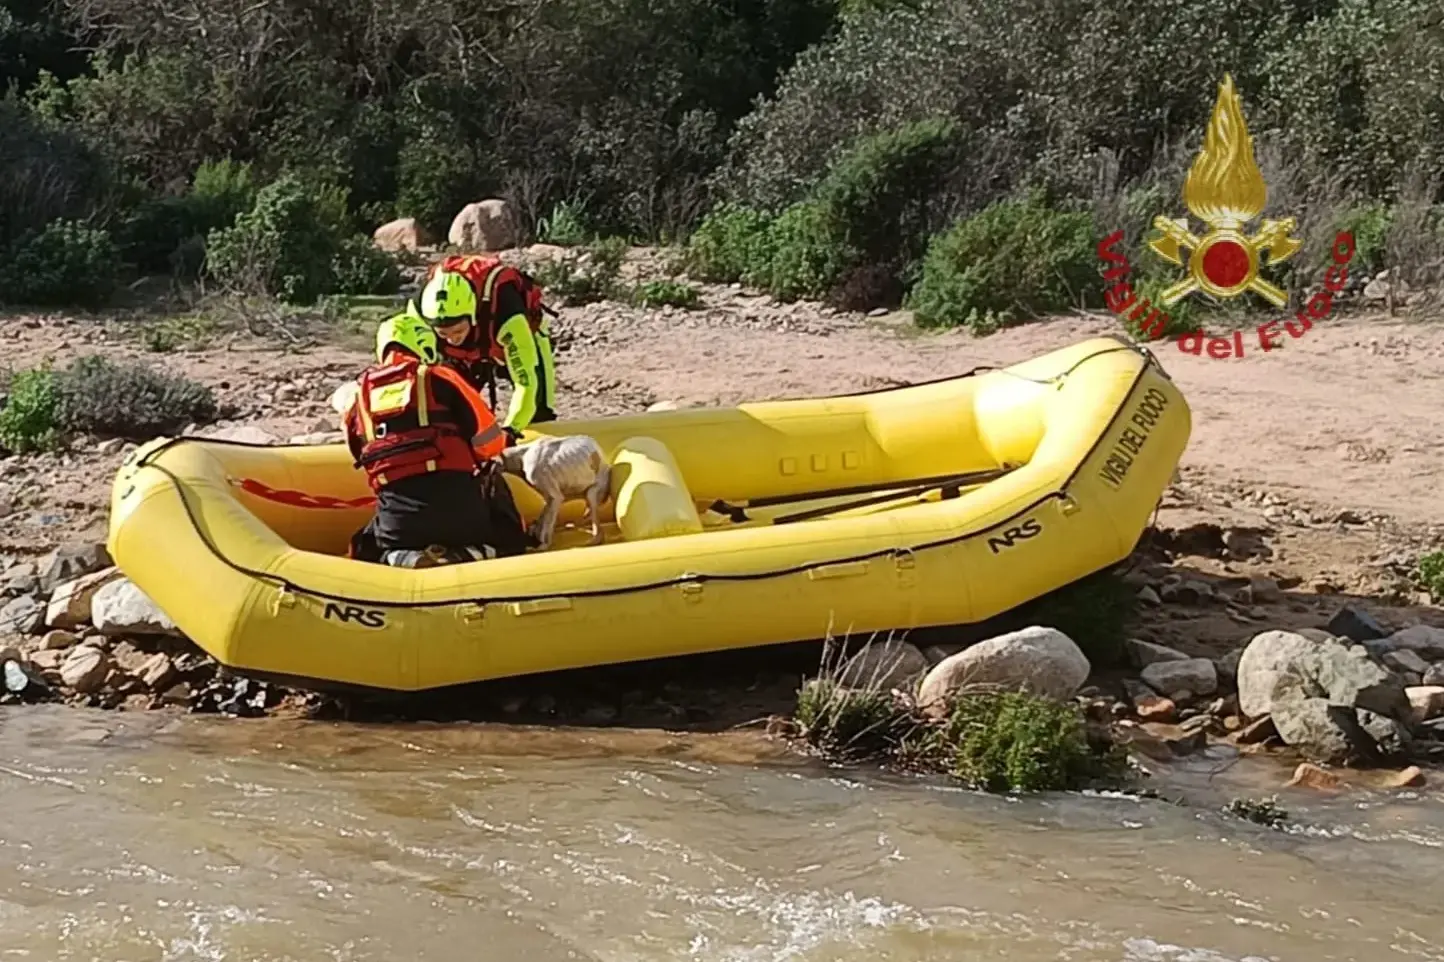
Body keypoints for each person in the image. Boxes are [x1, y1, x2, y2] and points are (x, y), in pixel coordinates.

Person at [341, 312, 532, 568]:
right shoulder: (440, 377)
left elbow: (359, 456)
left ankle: (398, 557)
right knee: (498, 495)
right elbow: (489, 443)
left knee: (366, 544)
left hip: (398, 525)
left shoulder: (358, 400)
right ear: (424, 343)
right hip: (462, 515)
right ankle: (486, 552)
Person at [416, 255, 559, 440]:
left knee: (539, 412)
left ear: (472, 316)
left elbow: (526, 383)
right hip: (465, 354)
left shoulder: (507, 313)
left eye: (458, 331)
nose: (452, 339)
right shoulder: (420, 311)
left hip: (518, 341)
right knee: (449, 407)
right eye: (443, 334)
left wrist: (511, 431)